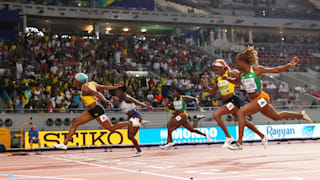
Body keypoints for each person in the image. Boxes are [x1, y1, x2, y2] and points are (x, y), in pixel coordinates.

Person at [225, 47, 312, 150]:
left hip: (262, 98)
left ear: (242, 62)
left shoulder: (257, 69)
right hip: (255, 101)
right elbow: (236, 82)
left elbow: (275, 70)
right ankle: (301, 115)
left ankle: (239, 143)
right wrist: (227, 79)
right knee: (276, 117)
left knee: (240, 113)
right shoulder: (241, 74)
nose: (236, 65)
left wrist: (290, 65)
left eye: (237, 62)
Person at [53, 73, 138, 150]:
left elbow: (97, 93)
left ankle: (130, 123)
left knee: (111, 128)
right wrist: (114, 87)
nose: (74, 82)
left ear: (79, 82)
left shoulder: (86, 88)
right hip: (91, 111)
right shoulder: (91, 83)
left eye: (75, 80)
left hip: (96, 110)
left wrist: (105, 100)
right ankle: (64, 144)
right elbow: (103, 87)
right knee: (75, 123)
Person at [201, 59, 266, 148]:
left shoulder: (231, 73)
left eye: (217, 69)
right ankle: (262, 136)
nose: (215, 71)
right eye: (214, 69)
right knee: (244, 121)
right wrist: (206, 87)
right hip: (227, 102)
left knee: (216, 115)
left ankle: (228, 137)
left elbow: (242, 76)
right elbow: (213, 93)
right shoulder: (218, 79)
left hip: (233, 100)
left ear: (223, 68)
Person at [112, 86, 153, 157]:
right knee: (130, 137)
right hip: (131, 118)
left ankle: (139, 151)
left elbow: (137, 102)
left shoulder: (127, 98)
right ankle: (139, 150)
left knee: (131, 135)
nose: (116, 93)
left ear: (121, 92)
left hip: (136, 116)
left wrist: (147, 107)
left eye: (117, 92)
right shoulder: (120, 99)